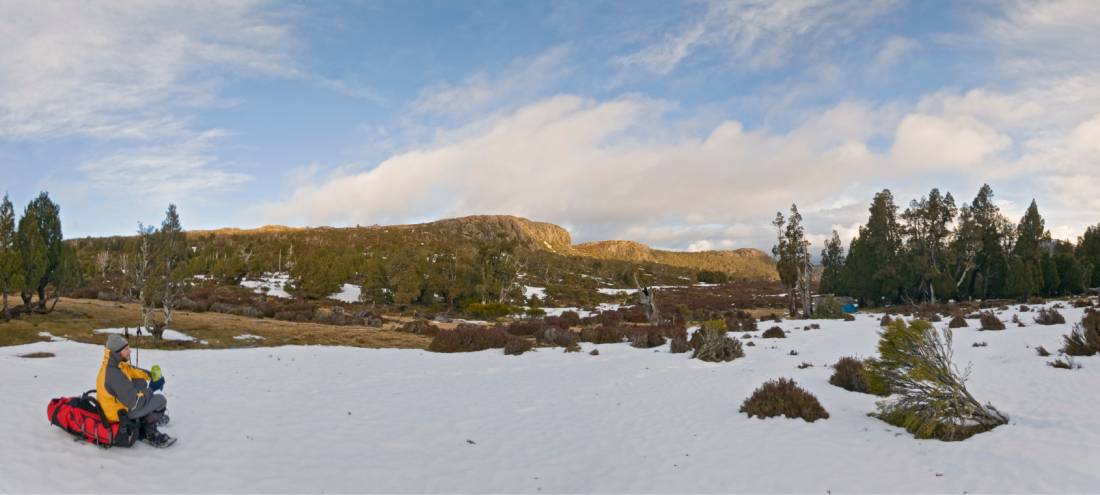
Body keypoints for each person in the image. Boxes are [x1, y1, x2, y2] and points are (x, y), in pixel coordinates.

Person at [97, 334, 173, 447]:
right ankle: (148, 431)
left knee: (140, 382)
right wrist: (152, 388)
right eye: (126, 349)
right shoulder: (114, 374)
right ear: (117, 353)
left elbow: (133, 371)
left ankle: (146, 416)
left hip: (116, 406)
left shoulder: (115, 364)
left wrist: (151, 375)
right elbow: (135, 403)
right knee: (160, 400)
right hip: (118, 415)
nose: (130, 351)